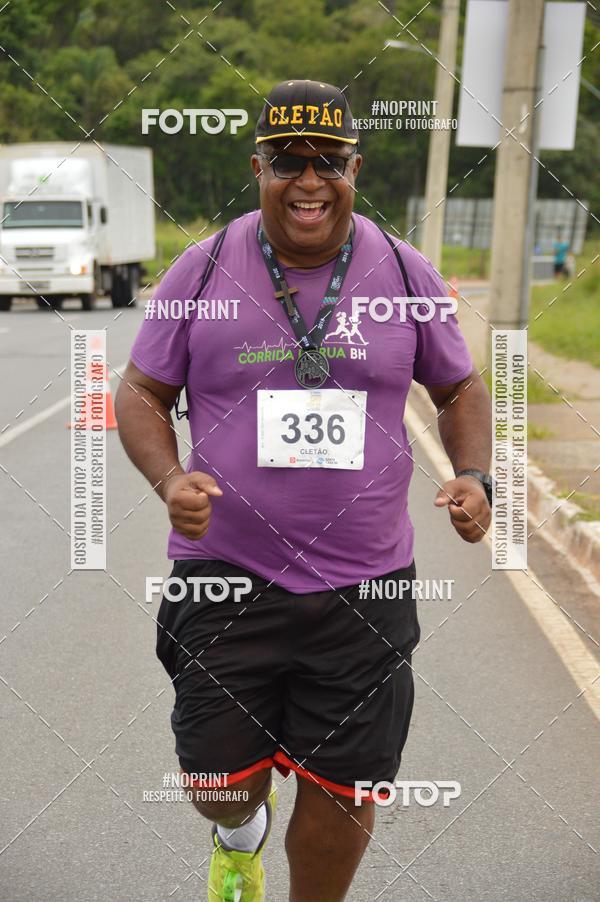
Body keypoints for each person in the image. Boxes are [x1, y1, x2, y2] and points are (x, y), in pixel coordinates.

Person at [115, 79, 492, 902]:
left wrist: (473, 477)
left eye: (330, 162)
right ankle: (239, 833)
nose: (310, 180)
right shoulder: (203, 266)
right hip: (224, 576)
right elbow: (139, 391)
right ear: (258, 166)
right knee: (218, 783)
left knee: (346, 786)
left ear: (356, 168)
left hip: (366, 583)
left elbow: (460, 390)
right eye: (289, 161)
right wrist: (170, 478)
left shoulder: (404, 270)